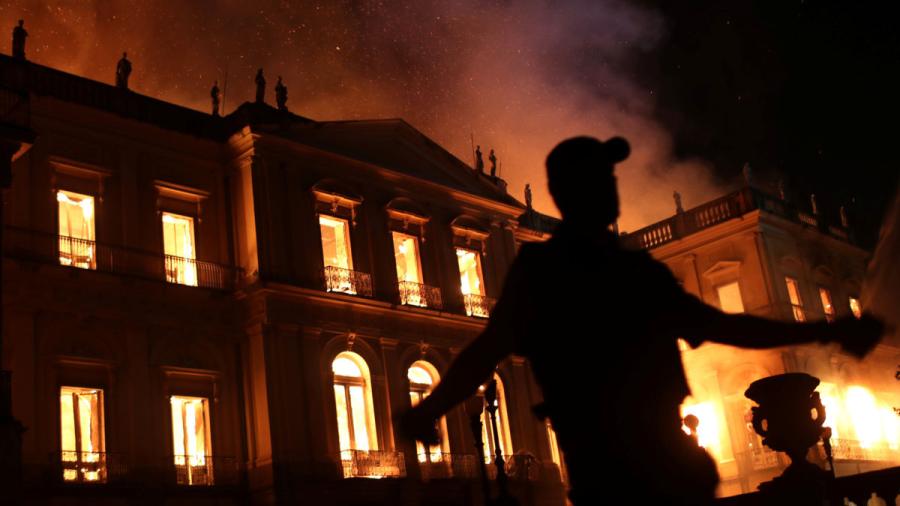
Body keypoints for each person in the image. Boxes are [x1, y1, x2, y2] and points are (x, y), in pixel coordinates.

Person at [399, 136, 884, 505]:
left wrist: (429, 409)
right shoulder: (564, 271)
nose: (612, 185)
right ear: (573, 191)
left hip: (635, 465)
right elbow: (726, 327)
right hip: (627, 468)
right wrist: (827, 332)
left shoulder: (589, 270)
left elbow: (724, 325)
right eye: (601, 177)